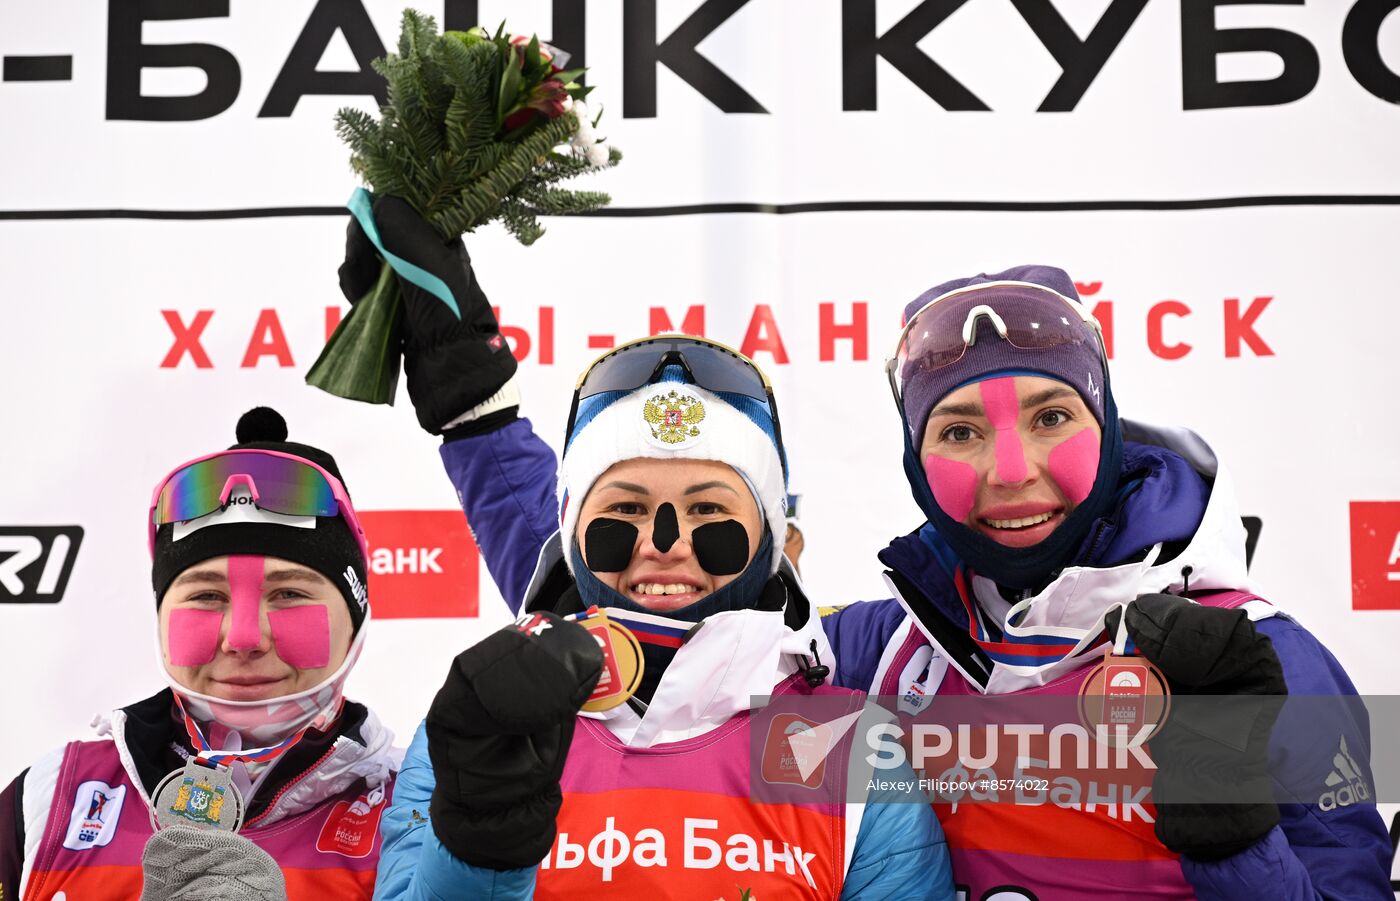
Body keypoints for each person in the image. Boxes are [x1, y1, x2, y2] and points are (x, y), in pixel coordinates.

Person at [334, 197, 954, 899]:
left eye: (709, 510)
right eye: (624, 510)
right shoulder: (486, 720)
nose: (664, 544)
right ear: (570, 536)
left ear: (773, 541)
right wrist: (480, 850)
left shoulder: (851, 745)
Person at [816, 265, 1394, 898]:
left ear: (1106, 428)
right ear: (915, 462)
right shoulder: (869, 653)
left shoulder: (1251, 653)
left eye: (1051, 418)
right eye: (959, 432)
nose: (1011, 472)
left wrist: (1234, 842)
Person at [0, 408, 398, 900]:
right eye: (206, 597)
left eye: (290, 594)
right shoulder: (50, 797)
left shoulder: (424, 813)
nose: (244, 637)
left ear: (355, 615)